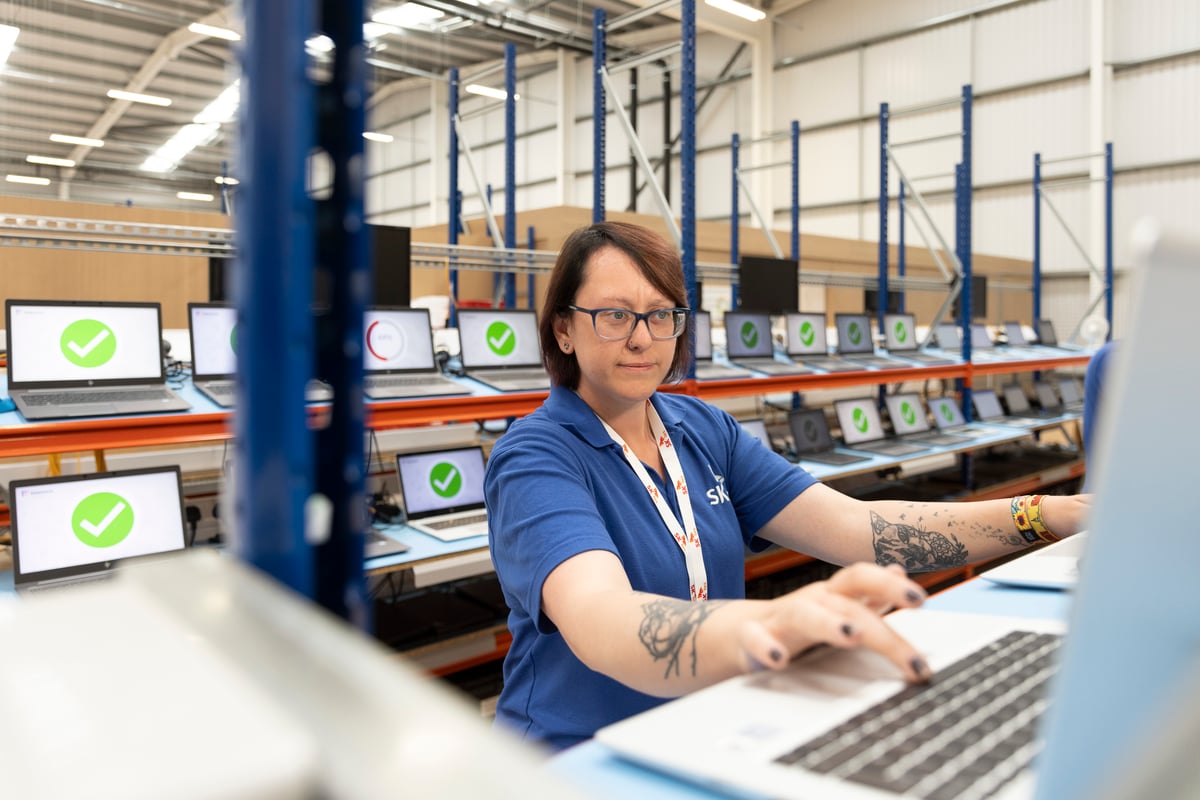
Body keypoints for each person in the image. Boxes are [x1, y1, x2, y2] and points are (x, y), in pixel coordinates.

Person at [484, 221, 1091, 751]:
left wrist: (1043, 514)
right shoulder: (536, 458)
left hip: (705, 729)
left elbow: (862, 531)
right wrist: (769, 624)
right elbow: (605, 621)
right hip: (574, 761)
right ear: (564, 329)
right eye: (614, 315)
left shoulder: (700, 429)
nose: (642, 336)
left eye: (661, 314)